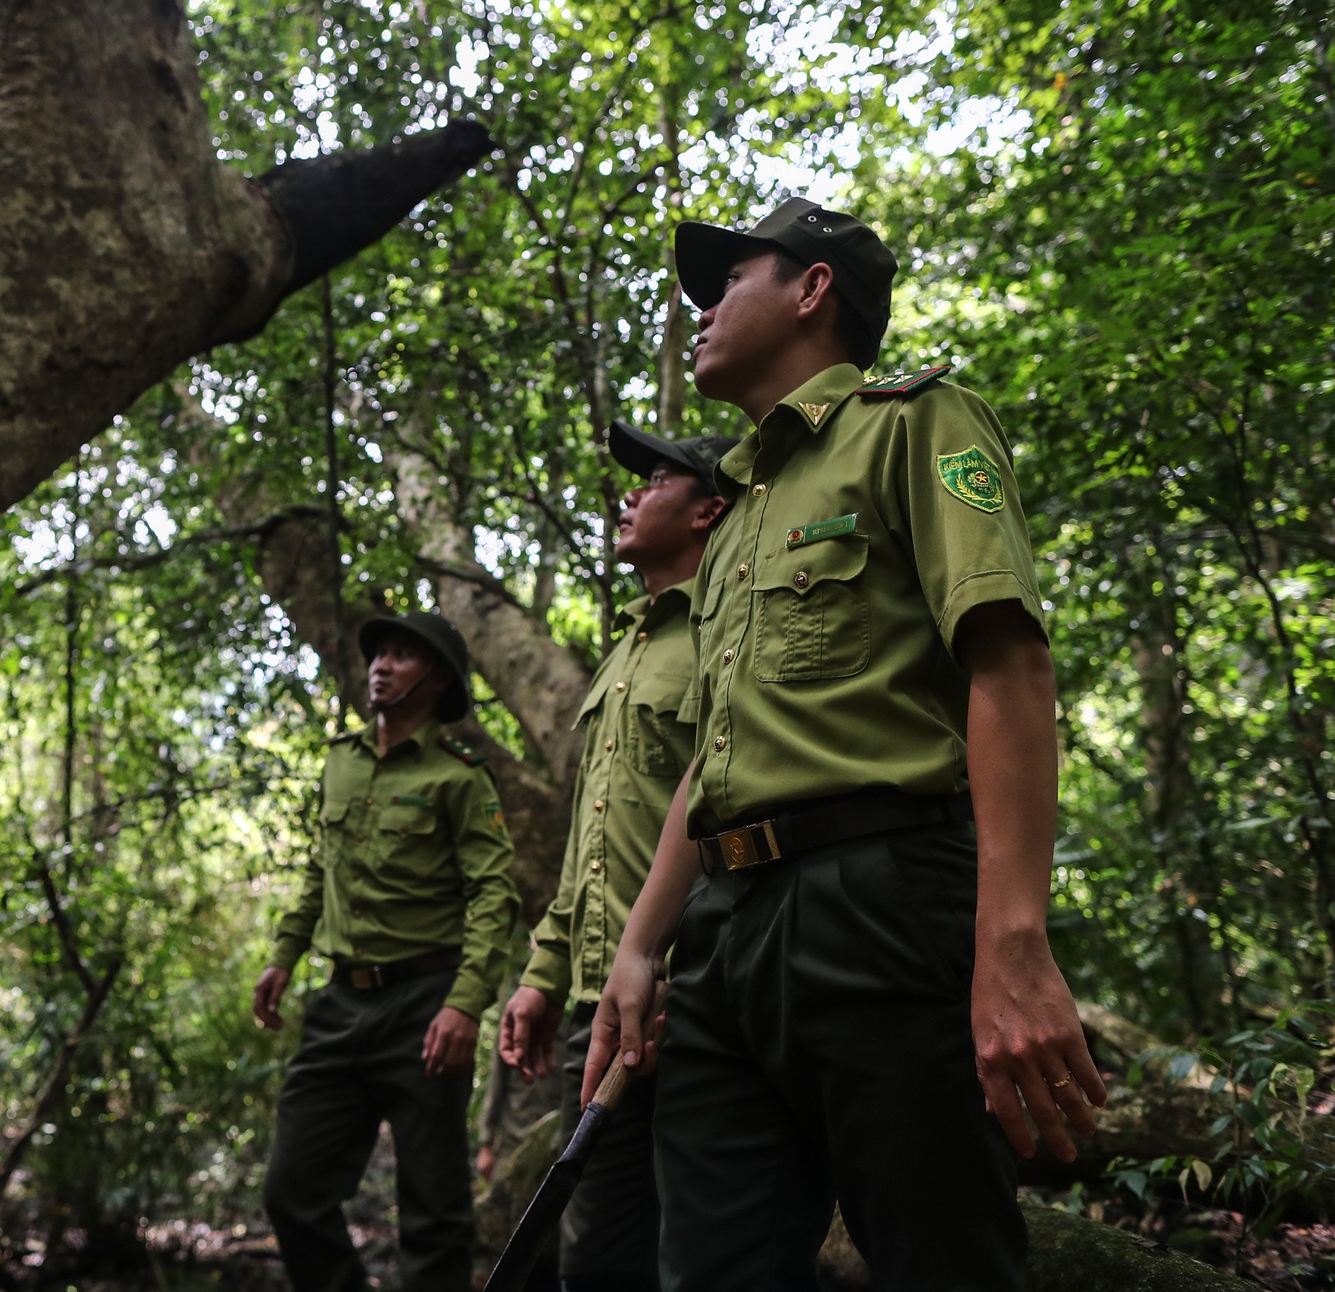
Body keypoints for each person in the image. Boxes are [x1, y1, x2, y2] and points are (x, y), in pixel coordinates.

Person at [584, 197, 1108, 1292]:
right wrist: (640, 947)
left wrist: (1013, 943)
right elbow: (712, 760)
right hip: (722, 940)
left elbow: (1006, 664)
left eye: (731, 278)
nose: (706, 305)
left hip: (879, 900)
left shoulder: (915, 423)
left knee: (940, 1257)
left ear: (812, 289)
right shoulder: (731, 523)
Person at [495, 422, 731, 1292]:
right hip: (599, 999)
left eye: (655, 480)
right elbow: (591, 843)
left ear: (710, 509)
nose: (627, 496)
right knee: (592, 1254)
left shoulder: (730, 629)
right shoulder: (625, 649)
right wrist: (542, 972)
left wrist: (679, 956)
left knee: (706, 1247)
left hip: (694, 994)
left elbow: (731, 808)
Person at [255, 610, 520, 1292]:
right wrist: (285, 955)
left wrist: (466, 1005)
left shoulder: (459, 777)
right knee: (292, 1191)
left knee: (434, 1215)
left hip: (425, 1009)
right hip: (339, 1004)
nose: (381, 664)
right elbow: (322, 871)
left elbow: (495, 894)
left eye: (403, 656)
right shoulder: (340, 762)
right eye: (380, 654)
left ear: (436, 680)